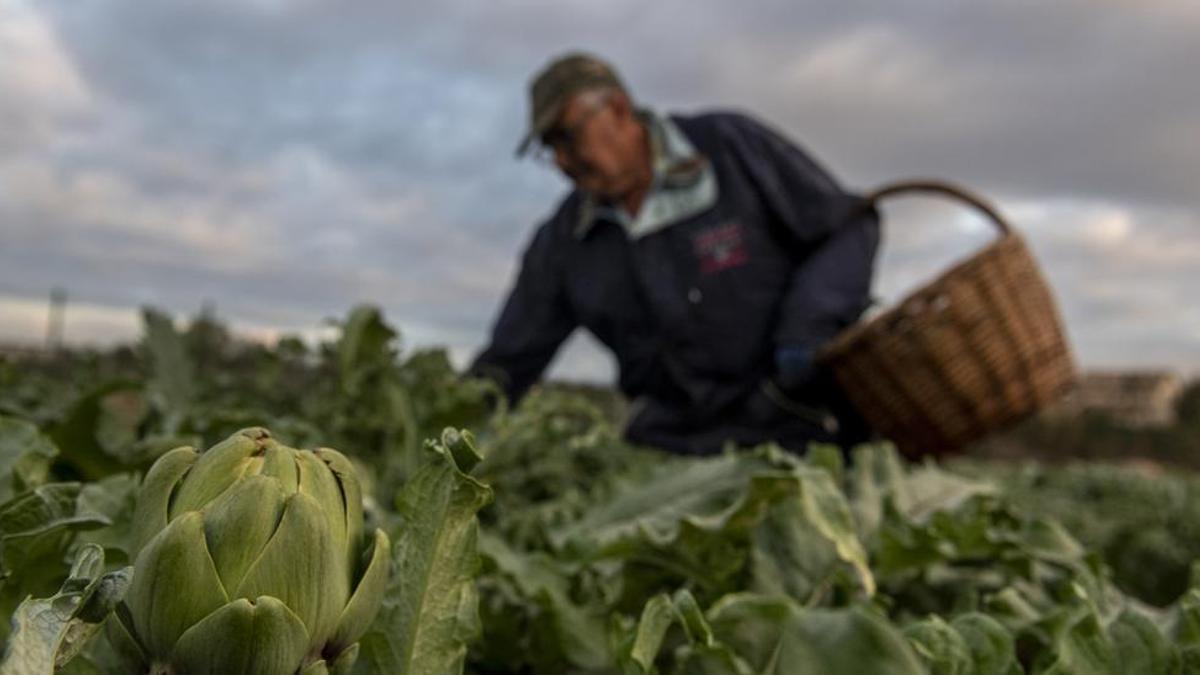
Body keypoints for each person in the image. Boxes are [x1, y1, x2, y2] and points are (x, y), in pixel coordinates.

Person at [468, 51, 880, 455]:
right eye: (549, 147)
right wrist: (442, 427)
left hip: (800, 421)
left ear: (618, 108)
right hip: (678, 447)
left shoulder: (729, 147)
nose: (561, 160)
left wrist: (808, 330)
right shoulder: (564, 241)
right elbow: (509, 359)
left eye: (567, 136)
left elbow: (848, 226)